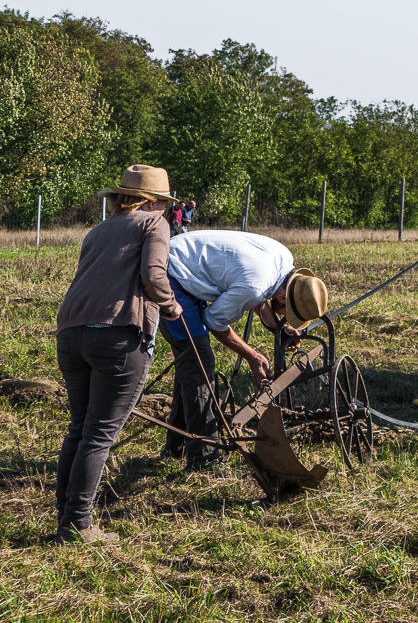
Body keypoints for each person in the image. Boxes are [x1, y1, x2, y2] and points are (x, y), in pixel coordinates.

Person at [54, 165, 182, 544]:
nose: (164, 211)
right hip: (117, 334)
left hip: (72, 332)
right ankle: (78, 525)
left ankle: (65, 515)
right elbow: (153, 276)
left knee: (79, 429)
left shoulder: (99, 228)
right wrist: (172, 307)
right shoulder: (153, 225)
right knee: (99, 434)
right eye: (163, 203)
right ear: (153, 201)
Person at [160, 231, 328, 467]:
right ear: (282, 295)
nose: (283, 316)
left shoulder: (282, 259)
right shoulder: (256, 284)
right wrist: (252, 356)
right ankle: (203, 456)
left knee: (192, 361)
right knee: (199, 362)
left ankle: (175, 446)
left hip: (181, 262)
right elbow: (215, 321)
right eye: (285, 312)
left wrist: (278, 330)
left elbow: (258, 297)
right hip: (168, 272)